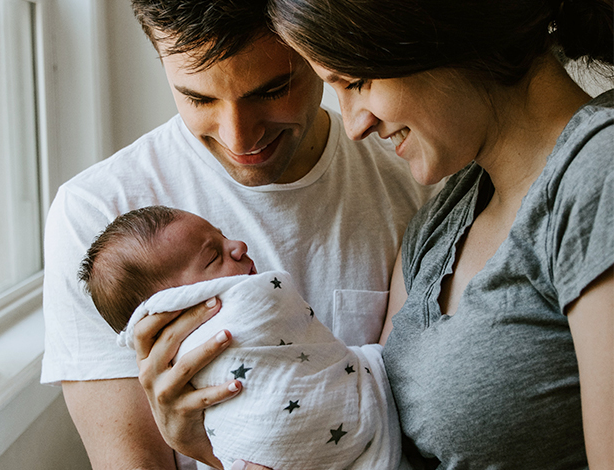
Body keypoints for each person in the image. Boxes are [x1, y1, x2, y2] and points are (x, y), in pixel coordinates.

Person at [193, 0, 611, 469]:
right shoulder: (444, 218)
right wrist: (213, 441)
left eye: (355, 82)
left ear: (441, 28)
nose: (354, 125)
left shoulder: (599, 172)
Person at [40, 1, 436, 468]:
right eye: (199, 99)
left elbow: (419, 430)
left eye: (272, 90)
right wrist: (210, 453)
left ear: (317, 48)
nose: (239, 139)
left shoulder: (415, 180)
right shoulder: (97, 216)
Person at [78, 205, 407, 470]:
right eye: (212, 257)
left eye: (222, 236)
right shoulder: (88, 205)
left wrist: (206, 453)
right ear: (172, 306)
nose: (238, 246)